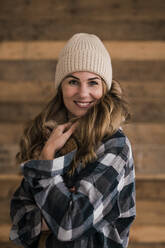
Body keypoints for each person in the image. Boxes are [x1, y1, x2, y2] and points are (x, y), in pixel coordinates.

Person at [10, 33, 136, 248]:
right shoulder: (46, 135)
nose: (83, 93)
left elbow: (68, 224)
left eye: (93, 83)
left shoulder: (115, 145)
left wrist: (47, 160)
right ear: (61, 87)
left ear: (104, 89)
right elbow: (20, 220)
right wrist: (60, 202)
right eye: (73, 82)